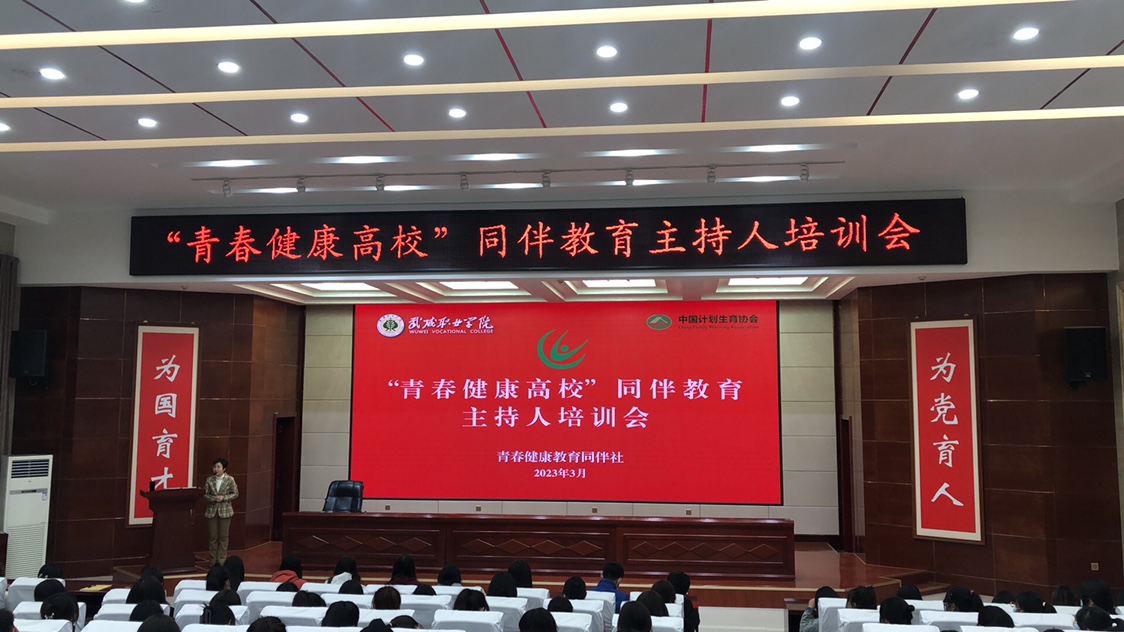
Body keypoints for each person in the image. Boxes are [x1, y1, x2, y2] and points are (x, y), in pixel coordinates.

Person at [204, 457, 239, 566]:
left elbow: (235, 493)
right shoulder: (209, 480)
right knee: (213, 537)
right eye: (214, 467)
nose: (216, 469)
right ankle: (213, 560)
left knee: (223, 537)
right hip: (212, 511)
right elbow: (205, 494)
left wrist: (224, 498)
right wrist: (214, 498)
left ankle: (221, 560)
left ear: (224, 469)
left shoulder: (230, 479)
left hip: (225, 511)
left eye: (218, 467)